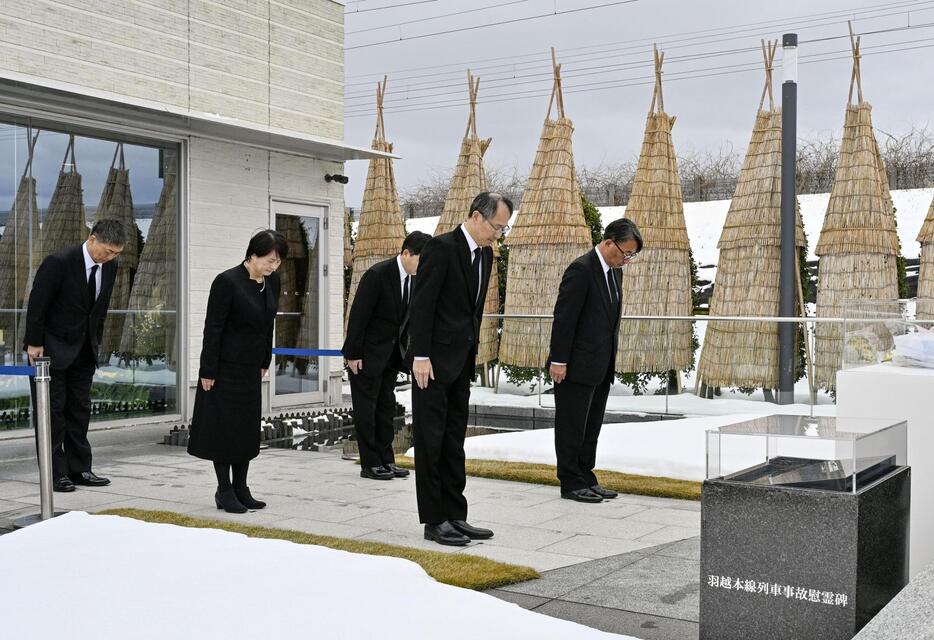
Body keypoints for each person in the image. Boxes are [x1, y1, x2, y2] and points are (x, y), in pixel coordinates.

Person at [408, 191, 511, 546]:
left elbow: (473, 311)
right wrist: (420, 355)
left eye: (503, 228)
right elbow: (421, 305)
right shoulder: (441, 248)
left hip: (460, 364)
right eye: (497, 226)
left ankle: (456, 514)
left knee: (453, 442)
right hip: (431, 365)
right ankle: (435, 520)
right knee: (431, 442)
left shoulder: (484, 255)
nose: (499, 234)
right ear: (477, 217)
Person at [24, 219, 126, 492]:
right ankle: (56, 473)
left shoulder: (110, 266)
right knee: (52, 414)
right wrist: (33, 343)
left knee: (79, 411)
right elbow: (37, 303)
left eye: (116, 254)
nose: (110, 258)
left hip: (84, 350)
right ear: (92, 239)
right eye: (107, 251)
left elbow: (99, 309)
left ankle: (80, 468)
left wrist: (96, 343)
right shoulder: (59, 262)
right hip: (49, 350)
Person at [187, 230, 286, 513]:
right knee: (225, 429)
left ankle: (242, 486)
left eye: (277, 263)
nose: (273, 267)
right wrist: (208, 369)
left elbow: (269, 325)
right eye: (269, 260)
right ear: (252, 254)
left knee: (245, 430)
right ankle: (224, 489)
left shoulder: (272, 282)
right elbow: (213, 328)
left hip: (251, 367)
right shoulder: (227, 282)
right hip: (225, 367)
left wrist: (266, 359)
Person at [548, 218, 643, 503]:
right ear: (608, 242)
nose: (626, 260)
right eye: (625, 253)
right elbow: (564, 319)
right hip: (574, 365)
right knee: (572, 426)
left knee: (591, 427)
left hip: (601, 364)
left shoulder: (615, 273)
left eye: (631, 256)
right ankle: (570, 481)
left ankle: (586, 475)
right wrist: (559, 359)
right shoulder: (581, 270)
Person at [343, 231, 431, 480]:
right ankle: (369, 464)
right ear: (406, 253)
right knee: (366, 411)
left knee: (385, 410)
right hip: (365, 355)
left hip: (390, 356)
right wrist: (353, 353)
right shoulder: (377, 275)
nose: (423, 267)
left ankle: (386, 460)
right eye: (420, 260)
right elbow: (358, 316)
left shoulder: (414, 280)